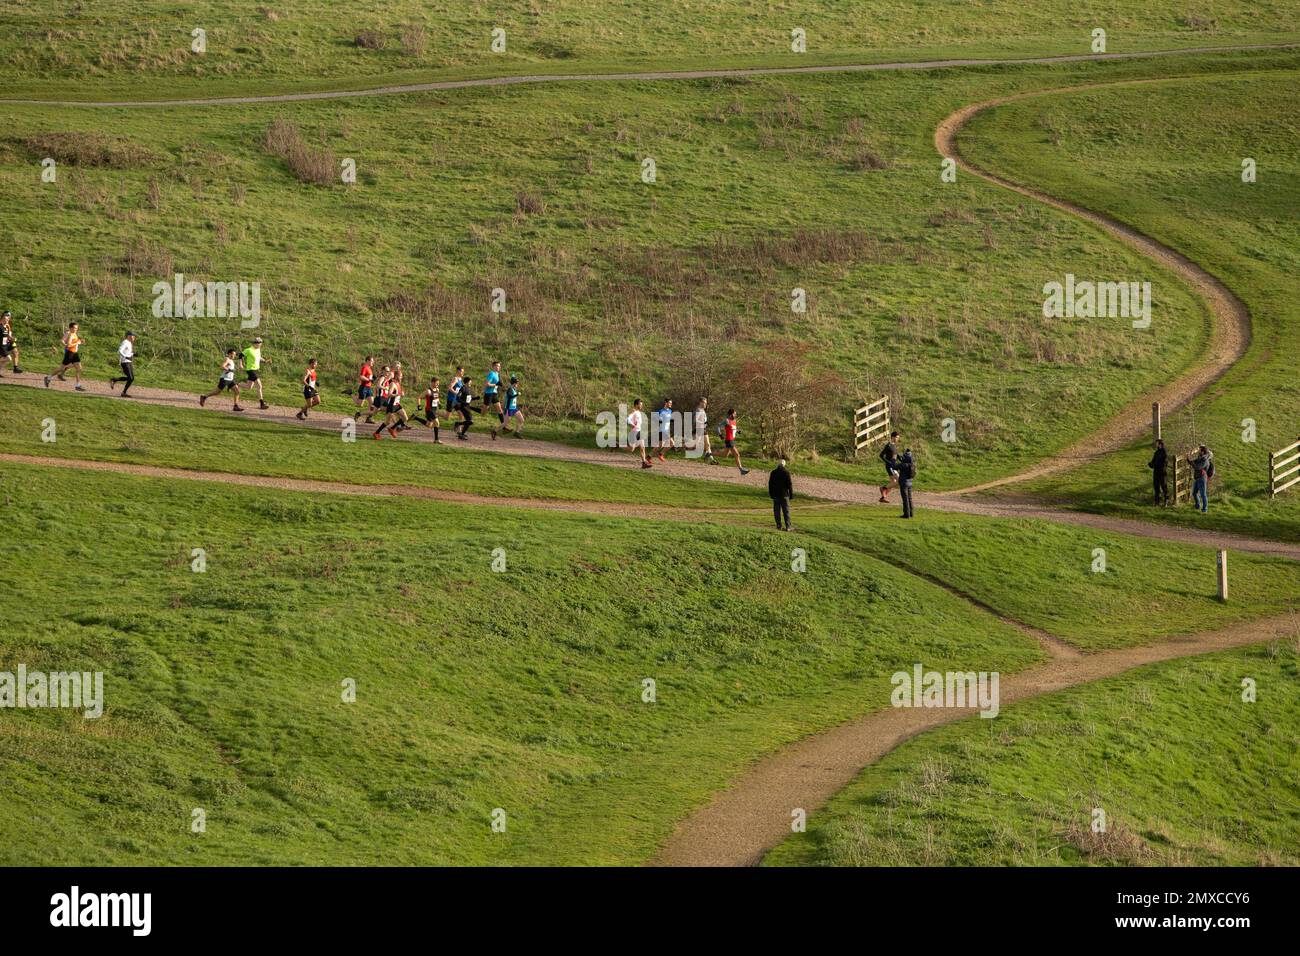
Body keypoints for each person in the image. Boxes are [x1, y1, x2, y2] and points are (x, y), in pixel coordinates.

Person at [44, 321, 85, 390]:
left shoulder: (74, 334)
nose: (76, 329)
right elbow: (69, 345)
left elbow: (74, 343)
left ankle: (78, 385)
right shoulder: (70, 334)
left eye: (77, 328)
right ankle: (48, 377)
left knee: (79, 368)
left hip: (75, 353)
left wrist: (80, 342)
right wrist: (78, 342)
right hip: (70, 353)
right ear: (70, 328)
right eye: (74, 328)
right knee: (61, 368)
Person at [240, 337, 270, 409]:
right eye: (259, 343)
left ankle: (236, 384)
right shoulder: (249, 350)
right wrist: (240, 364)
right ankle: (262, 403)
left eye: (261, 343)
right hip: (250, 370)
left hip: (256, 370)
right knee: (259, 385)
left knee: (248, 387)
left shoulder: (258, 350)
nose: (260, 344)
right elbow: (240, 355)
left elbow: (259, 357)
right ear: (255, 343)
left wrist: (265, 361)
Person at [720, 409, 749, 475]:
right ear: (731, 414)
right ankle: (741, 470)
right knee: (737, 454)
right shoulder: (727, 421)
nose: (735, 415)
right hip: (729, 440)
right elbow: (718, 427)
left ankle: (709, 454)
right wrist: (720, 434)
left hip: (732, 440)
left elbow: (733, 428)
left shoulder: (734, 421)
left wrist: (738, 431)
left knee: (724, 455)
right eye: (734, 414)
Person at [108, 331, 136, 397]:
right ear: (128, 336)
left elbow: (127, 352)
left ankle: (116, 382)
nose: (134, 337)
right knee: (130, 378)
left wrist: (133, 354)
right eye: (133, 335)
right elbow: (120, 351)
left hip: (129, 362)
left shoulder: (129, 343)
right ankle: (122, 390)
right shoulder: (125, 342)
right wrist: (125, 357)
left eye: (134, 336)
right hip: (125, 362)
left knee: (131, 378)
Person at [768, 458, 793, 531]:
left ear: (777, 464)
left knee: (777, 511)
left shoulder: (773, 472)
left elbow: (770, 484)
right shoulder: (786, 472)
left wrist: (771, 494)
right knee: (786, 511)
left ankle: (779, 525)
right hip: (784, 495)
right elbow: (789, 485)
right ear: (784, 465)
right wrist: (791, 494)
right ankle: (788, 527)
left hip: (775, 495)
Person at [628, 399, 652, 468]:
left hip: (639, 432)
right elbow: (628, 420)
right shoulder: (634, 412)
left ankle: (644, 463)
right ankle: (617, 445)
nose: (641, 406)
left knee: (642, 447)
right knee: (631, 449)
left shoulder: (638, 412)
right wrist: (632, 424)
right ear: (636, 405)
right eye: (640, 404)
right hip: (634, 432)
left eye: (642, 404)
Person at [419, 377, 443, 442]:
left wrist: (439, 403)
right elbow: (419, 397)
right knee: (437, 423)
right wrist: (419, 405)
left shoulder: (437, 390)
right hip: (429, 410)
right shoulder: (428, 391)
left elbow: (437, 398)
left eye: (438, 383)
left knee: (429, 425)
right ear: (432, 382)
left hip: (434, 410)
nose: (438, 384)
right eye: (436, 383)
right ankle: (436, 439)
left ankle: (415, 418)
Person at [691, 398, 715, 463]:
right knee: (695, 446)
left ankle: (711, 459)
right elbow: (694, 421)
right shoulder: (698, 410)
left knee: (708, 444)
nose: (705, 404)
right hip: (698, 429)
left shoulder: (703, 410)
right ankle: (678, 445)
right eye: (704, 403)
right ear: (700, 402)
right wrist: (703, 423)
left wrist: (705, 423)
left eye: (706, 403)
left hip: (703, 429)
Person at [485, 361, 506, 438]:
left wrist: (501, 386)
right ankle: (469, 407)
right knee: (483, 412)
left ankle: (504, 427)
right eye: (497, 366)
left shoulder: (497, 374)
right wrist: (496, 384)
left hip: (494, 394)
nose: (498, 367)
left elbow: (498, 384)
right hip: (488, 394)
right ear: (493, 366)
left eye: (499, 366)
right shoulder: (491, 373)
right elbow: (487, 384)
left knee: (500, 410)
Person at [879, 431, 900, 503]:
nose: (898, 439)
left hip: (894, 466)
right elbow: (881, 455)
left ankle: (883, 497)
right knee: (898, 481)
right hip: (890, 466)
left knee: (892, 482)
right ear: (893, 437)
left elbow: (896, 455)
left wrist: (902, 459)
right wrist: (888, 462)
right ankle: (883, 488)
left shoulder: (894, 445)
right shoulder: (888, 446)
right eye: (897, 437)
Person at [1190, 445, 1212, 513]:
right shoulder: (1199, 458)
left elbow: (1197, 467)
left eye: (1199, 450)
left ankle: (1205, 509)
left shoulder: (1205, 460)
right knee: (1194, 493)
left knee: (1203, 494)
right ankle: (1197, 506)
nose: (1198, 451)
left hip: (1202, 478)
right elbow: (1192, 462)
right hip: (1197, 478)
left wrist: (1192, 462)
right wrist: (1188, 458)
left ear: (1202, 451)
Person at [896, 448, 916, 518]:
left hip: (904, 484)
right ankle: (911, 513)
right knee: (910, 498)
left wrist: (891, 461)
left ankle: (906, 514)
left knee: (905, 499)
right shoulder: (912, 464)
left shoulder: (903, 465)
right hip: (910, 483)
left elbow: (895, 466)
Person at [1148, 439, 1169, 506]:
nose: (1156, 444)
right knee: (1156, 487)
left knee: (1164, 487)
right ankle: (1157, 502)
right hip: (1156, 473)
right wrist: (1151, 464)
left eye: (1157, 443)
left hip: (1162, 473)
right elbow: (1153, 461)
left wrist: (1159, 466)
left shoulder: (1164, 452)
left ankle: (1166, 501)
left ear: (1160, 444)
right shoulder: (1156, 453)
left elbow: (1165, 463)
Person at [656, 398, 676, 462]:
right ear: (666, 403)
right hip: (662, 430)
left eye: (671, 403)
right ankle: (660, 454)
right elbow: (659, 420)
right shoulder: (661, 411)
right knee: (672, 443)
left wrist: (672, 420)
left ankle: (649, 456)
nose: (671, 404)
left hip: (666, 430)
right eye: (669, 403)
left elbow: (668, 419)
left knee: (660, 445)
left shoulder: (670, 411)